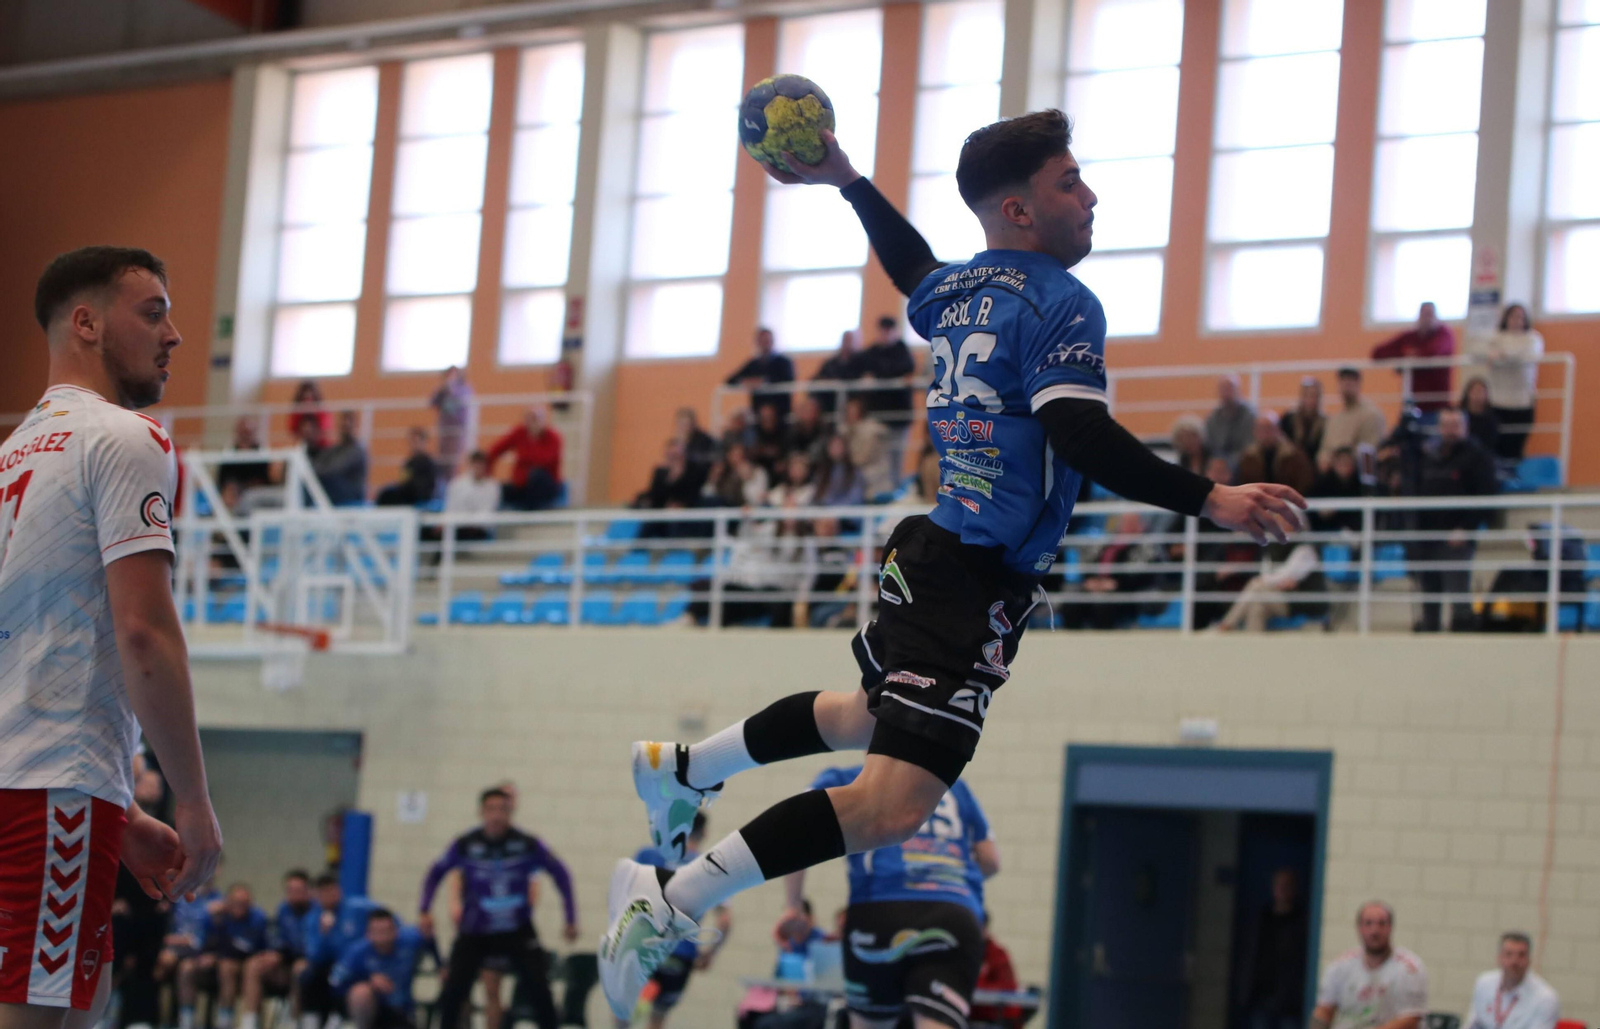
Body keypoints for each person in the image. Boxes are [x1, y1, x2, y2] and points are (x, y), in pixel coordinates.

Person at [597, 111, 1304, 1017]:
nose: (1089, 198)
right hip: (970, 575)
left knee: (859, 714)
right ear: (1018, 207)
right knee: (888, 804)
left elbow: (911, 266)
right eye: (1069, 182)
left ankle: (687, 764)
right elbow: (1078, 431)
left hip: (935, 549)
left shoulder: (963, 291)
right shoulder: (1061, 302)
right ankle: (672, 898)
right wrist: (1212, 497)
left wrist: (850, 179)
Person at [0, 247, 223, 1028]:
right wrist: (191, 799)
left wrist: (121, 814)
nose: (175, 336)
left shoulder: (7, 462)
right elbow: (144, 631)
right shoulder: (126, 440)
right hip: (54, 787)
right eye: (153, 312)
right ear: (87, 323)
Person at [787, 766, 999, 1029]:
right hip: (951, 913)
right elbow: (990, 861)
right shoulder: (955, 786)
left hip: (879, 910)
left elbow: (796, 828)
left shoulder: (847, 778)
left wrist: (793, 906)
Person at [418, 787, 578, 1029]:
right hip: (475, 932)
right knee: (453, 992)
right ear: (481, 812)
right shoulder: (465, 845)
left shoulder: (527, 844)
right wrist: (424, 910)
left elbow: (561, 874)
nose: (496, 816)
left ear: (511, 812)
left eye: (503, 809)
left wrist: (570, 919)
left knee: (540, 989)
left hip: (517, 931)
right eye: (491, 809)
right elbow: (435, 873)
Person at [628, 814, 732, 1029]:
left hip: (642, 944)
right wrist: (710, 953)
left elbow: (623, 899)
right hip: (679, 954)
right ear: (704, 832)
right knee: (657, 1017)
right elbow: (725, 920)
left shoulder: (648, 855)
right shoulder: (709, 867)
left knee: (625, 1009)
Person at [1408, 407, 1498, 632]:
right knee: (1429, 602)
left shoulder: (1477, 456)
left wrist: (1466, 529)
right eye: (1446, 425)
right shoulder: (1427, 455)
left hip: (1457, 539)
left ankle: (1462, 647)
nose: (1450, 430)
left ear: (1465, 427)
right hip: (1427, 540)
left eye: (1456, 425)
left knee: (1459, 602)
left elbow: (1486, 497)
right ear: (1439, 428)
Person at [1311, 902, 1426, 1029]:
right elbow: (1324, 1010)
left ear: (1390, 927)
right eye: (1368, 923)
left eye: (1381, 923)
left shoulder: (1409, 968)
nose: (1374, 931)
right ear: (1359, 928)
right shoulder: (1339, 967)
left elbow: (1410, 1020)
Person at [178, 883, 271, 1029]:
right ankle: (186, 1021)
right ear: (227, 902)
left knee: (229, 967)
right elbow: (201, 942)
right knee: (186, 968)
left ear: (250, 903)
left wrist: (217, 956)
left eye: (244, 903)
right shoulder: (217, 917)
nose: (240, 906)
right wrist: (206, 955)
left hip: (243, 963)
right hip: (215, 961)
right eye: (236, 902)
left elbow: (250, 948)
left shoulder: (257, 917)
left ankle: (230, 1022)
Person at [239, 870, 317, 1029]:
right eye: (290, 891)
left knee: (299, 969)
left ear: (308, 891)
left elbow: (312, 947)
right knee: (253, 965)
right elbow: (277, 939)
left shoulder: (317, 912)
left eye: (298, 891)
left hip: (309, 967)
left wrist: (283, 955)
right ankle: (250, 1022)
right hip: (285, 965)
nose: (293, 895)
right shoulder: (283, 909)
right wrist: (274, 954)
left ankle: (293, 1022)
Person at [1467, 304, 1543, 460]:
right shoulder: (1495, 337)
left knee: (1516, 448)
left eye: (1520, 317)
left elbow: (1528, 356)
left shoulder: (1532, 338)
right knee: (1494, 447)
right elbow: (1474, 349)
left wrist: (1502, 354)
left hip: (1522, 403)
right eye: (1513, 316)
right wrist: (1495, 354)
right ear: (1505, 318)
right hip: (1497, 403)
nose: (1516, 320)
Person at [299, 873, 376, 1029]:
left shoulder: (359, 908)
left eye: (332, 891)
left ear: (338, 890)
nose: (329, 896)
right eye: (324, 893)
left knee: (342, 978)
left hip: (356, 965)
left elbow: (387, 919)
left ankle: (337, 1018)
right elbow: (314, 954)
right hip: (328, 966)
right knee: (309, 976)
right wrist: (324, 934)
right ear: (317, 896)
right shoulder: (313, 918)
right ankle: (310, 1022)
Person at [331, 909, 431, 1029]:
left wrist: (440, 965)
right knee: (361, 992)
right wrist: (368, 981)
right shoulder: (357, 952)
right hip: (374, 1010)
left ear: (396, 931)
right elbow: (335, 982)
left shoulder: (410, 941)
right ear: (368, 933)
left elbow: (428, 939)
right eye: (377, 931)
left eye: (386, 931)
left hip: (401, 1009)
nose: (383, 937)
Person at [1240, 868, 1310, 1029]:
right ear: (1273, 887)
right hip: (1261, 997)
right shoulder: (1262, 919)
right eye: (1279, 884)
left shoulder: (1303, 921)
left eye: (1287, 885)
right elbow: (1250, 957)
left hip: (1291, 1002)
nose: (1282, 889)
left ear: (1294, 889)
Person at [1372, 301, 1456, 414]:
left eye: (1430, 314)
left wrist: (1411, 356)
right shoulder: (1409, 337)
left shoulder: (1444, 334)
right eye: (1424, 314)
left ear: (1437, 317)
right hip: (1412, 404)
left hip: (1438, 405)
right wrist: (1404, 356)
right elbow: (1378, 353)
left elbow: (1435, 352)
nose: (1427, 318)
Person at [1464, 932, 1559, 1029]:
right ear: (1499, 957)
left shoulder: (1545, 998)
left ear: (1529, 960)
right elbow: (1473, 1024)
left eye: (1521, 955)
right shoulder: (1483, 983)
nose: (1514, 961)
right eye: (1508, 954)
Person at [487, 406, 563, 511]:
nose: (532, 423)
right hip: (521, 485)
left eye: (535, 419)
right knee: (499, 490)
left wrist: (531, 443)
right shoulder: (520, 433)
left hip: (545, 485)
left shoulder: (553, 437)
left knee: (536, 475)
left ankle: (531, 512)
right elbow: (496, 449)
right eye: (529, 419)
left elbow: (545, 460)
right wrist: (488, 469)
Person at [1318, 368, 1388, 471]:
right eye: (1343, 380)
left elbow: (1370, 450)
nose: (1346, 384)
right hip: (1331, 475)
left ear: (1358, 383)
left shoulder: (1372, 415)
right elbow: (1324, 449)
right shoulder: (1334, 419)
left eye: (1350, 380)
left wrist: (1344, 462)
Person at [1236, 412, 1316, 496]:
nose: (1265, 433)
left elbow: (1305, 483)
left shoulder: (1295, 456)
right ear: (1255, 432)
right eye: (1261, 429)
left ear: (1278, 429)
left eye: (1269, 428)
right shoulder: (1247, 458)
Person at [971, 912, 1025, 1029]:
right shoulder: (961, 953)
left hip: (996, 1018)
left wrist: (978, 985)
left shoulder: (997, 954)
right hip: (969, 1015)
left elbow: (1008, 987)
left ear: (984, 929)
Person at [727, 327, 797, 418]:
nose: (764, 343)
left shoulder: (784, 362)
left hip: (780, 412)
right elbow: (730, 380)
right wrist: (745, 381)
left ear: (772, 341)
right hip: (758, 414)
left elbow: (788, 379)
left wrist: (764, 381)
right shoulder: (753, 364)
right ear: (757, 343)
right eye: (762, 340)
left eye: (767, 340)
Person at [858, 314, 917, 418]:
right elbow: (862, 369)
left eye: (888, 330)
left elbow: (905, 368)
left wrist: (877, 375)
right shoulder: (871, 352)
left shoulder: (903, 351)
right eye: (883, 330)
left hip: (899, 409)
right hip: (876, 409)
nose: (886, 334)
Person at [440, 451, 501, 543]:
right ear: (470, 465)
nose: (477, 468)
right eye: (475, 464)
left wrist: (470, 522)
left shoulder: (492, 487)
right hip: (457, 526)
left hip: (478, 530)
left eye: (480, 464)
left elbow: (487, 512)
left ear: (485, 466)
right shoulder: (457, 484)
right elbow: (450, 508)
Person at [842, 395, 895, 499]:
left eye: (853, 410)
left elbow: (862, 458)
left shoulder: (871, 432)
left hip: (873, 475)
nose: (850, 414)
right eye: (848, 410)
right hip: (855, 472)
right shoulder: (844, 431)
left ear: (860, 411)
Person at [313, 411, 368, 505]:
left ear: (355, 426)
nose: (346, 426)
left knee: (326, 479)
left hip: (351, 494)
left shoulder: (357, 451)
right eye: (343, 425)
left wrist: (319, 469)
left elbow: (335, 469)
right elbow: (317, 464)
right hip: (336, 493)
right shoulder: (334, 449)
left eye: (349, 424)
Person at [377, 427, 439, 506]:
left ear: (424, 442)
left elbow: (428, 487)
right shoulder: (409, 462)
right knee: (386, 494)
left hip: (419, 496)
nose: (414, 445)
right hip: (408, 494)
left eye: (417, 441)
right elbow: (403, 480)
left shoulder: (428, 463)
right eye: (412, 442)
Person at [1310, 448, 1366, 534]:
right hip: (1326, 531)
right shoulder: (1322, 485)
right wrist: (1321, 514)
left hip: (1354, 532)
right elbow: (1312, 512)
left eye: (1348, 463)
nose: (1345, 467)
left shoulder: (1361, 486)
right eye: (1341, 463)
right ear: (1334, 464)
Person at [1205, 374, 1256, 467]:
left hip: (1242, 463)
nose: (1227, 393)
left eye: (1230, 389)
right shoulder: (1212, 418)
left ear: (1239, 391)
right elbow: (1210, 446)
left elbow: (1249, 447)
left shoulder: (1251, 416)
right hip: (1219, 464)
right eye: (1223, 389)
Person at [430, 366, 473, 476]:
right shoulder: (443, 389)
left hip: (458, 429)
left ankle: (452, 479)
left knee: (453, 459)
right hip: (445, 429)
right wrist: (443, 388)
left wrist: (450, 385)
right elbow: (432, 402)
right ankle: (444, 481)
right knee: (443, 458)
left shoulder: (465, 388)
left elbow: (459, 399)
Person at [813, 329, 865, 415]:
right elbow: (817, 378)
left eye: (850, 340)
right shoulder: (831, 362)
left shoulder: (862, 361)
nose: (847, 343)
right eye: (845, 340)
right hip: (831, 401)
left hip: (853, 398)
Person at [1280, 377, 1326, 461]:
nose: (1311, 400)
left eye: (1314, 396)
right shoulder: (1288, 419)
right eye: (1307, 395)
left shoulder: (1325, 423)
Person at [1459, 378, 1501, 455]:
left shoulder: (1492, 418)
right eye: (1474, 391)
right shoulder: (1459, 415)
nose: (1477, 395)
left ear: (1486, 395)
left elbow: (1491, 443)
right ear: (1468, 393)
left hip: (1484, 456)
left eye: (1481, 391)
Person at [673, 407, 719, 471]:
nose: (684, 428)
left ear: (693, 424)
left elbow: (708, 459)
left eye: (687, 424)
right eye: (681, 424)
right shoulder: (678, 440)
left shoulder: (704, 440)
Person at [288, 380, 330, 446]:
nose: (307, 395)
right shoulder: (297, 410)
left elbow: (325, 427)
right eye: (305, 392)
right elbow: (292, 427)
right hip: (301, 441)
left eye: (310, 392)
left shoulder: (320, 409)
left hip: (318, 442)